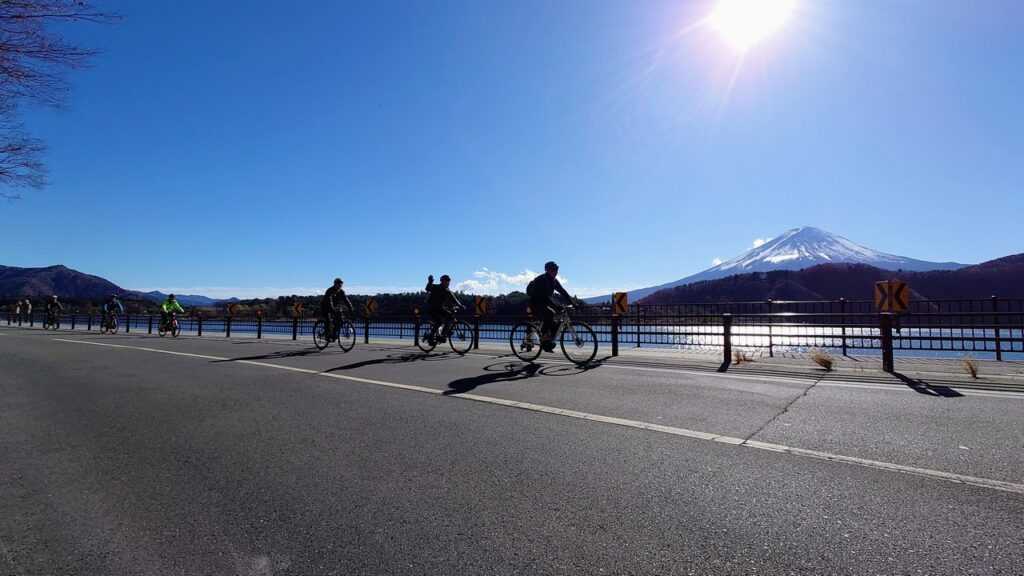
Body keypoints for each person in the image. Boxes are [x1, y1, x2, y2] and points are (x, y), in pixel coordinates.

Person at [527, 261, 573, 352]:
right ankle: (544, 341)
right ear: (548, 270)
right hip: (535, 303)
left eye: (556, 270)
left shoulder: (554, 281)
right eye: (553, 270)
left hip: (544, 302)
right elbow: (544, 297)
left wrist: (573, 302)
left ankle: (548, 340)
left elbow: (562, 291)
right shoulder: (541, 280)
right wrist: (557, 306)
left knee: (555, 319)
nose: (555, 272)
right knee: (550, 313)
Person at [424, 274, 463, 343]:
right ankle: (431, 336)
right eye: (446, 281)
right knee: (439, 321)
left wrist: (460, 305)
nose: (448, 283)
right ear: (442, 281)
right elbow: (427, 288)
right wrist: (430, 282)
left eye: (448, 282)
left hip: (440, 308)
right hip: (431, 308)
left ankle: (443, 335)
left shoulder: (447, 290)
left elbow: (454, 298)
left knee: (450, 316)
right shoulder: (436, 287)